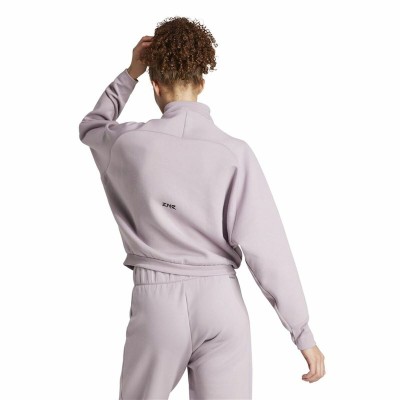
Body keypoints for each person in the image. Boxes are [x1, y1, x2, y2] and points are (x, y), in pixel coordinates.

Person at [79, 16, 325, 400]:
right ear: (201, 83)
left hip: (158, 301)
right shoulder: (235, 153)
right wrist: (302, 333)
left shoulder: (127, 144)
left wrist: (131, 73)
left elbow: (92, 126)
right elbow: (269, 248)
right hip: (221, 302)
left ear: (155, 86)